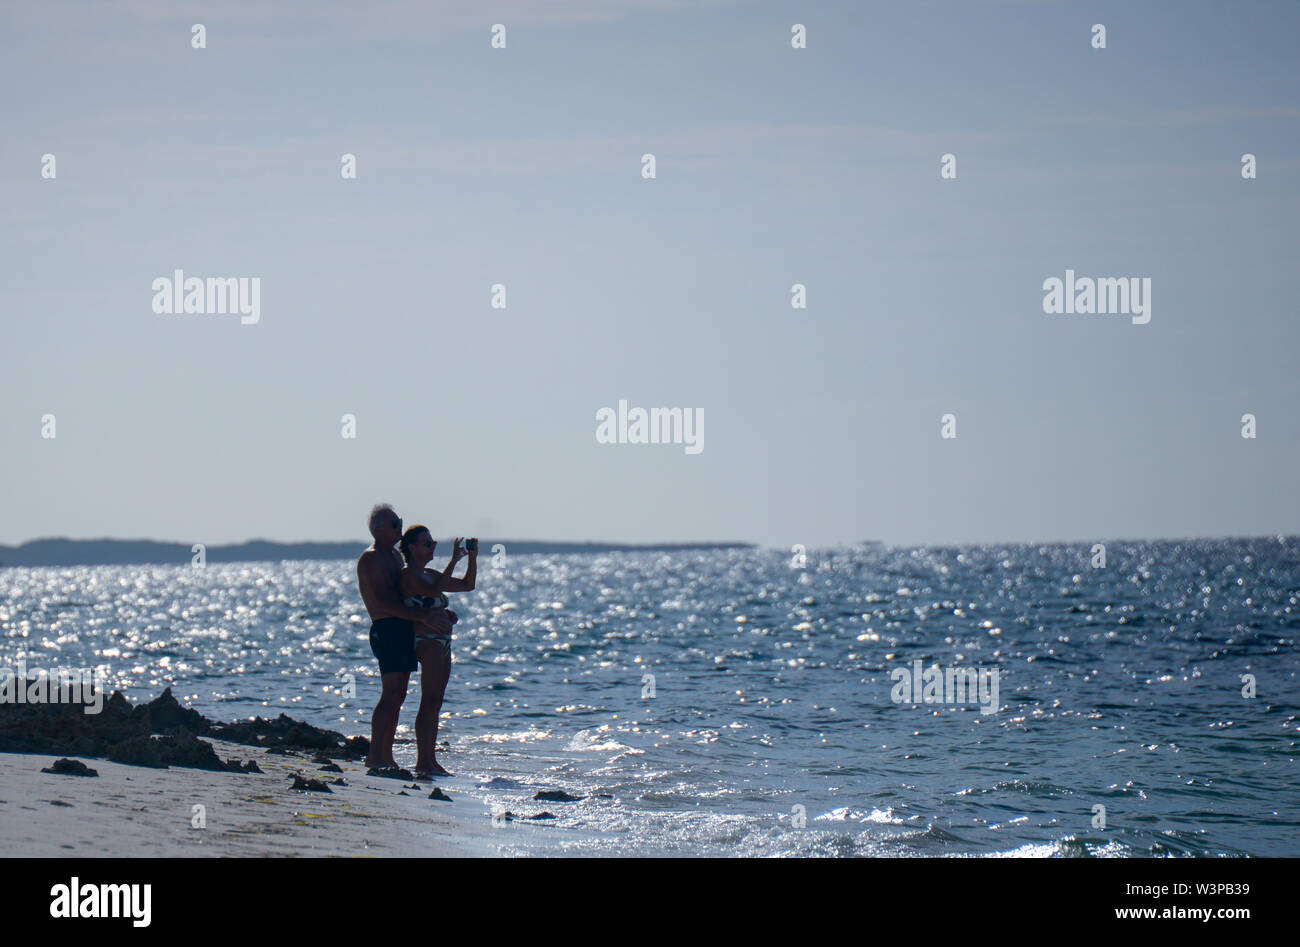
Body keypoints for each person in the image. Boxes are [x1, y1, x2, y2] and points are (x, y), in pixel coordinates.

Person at [356, 504, 452, 775]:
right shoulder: (372, 558)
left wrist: (437, 612)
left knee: (399, 695)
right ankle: (374, 755)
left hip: (405, 627)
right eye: (394, 524)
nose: (400, 528)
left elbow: (408, 596)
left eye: (400, 522)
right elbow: (382, 604)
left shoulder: (396, 559)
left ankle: (387, 755)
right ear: (378, 529)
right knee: (391, 693)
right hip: (387, 629)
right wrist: (422, 616)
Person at [399, 526, 477, 778]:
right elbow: (432, 592)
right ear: (412, 548)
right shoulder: (408, 575)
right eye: (427, 543)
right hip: (426, 641)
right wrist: (453, 560)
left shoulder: (431, 573)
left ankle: (431, 759)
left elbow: (467, 585)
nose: (433, 546)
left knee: (437, 702)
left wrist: (472, 559)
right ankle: (423, 761)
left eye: (433, 542)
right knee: (429, 700)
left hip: (443, 641)